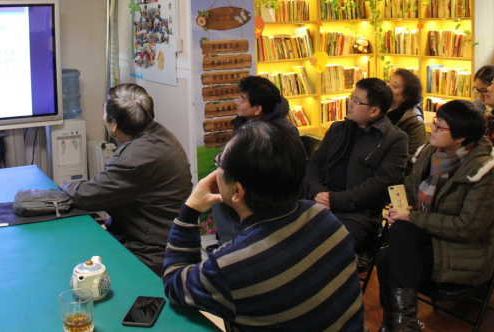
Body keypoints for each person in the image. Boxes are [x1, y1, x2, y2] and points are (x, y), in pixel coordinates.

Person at [162, 121, 364, 331]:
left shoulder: (230, 266)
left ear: (237, 191)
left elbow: (174, 282)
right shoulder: (325, 218)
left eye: (220, 161)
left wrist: (190, 209)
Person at [376, 100, 494, 331]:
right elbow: (410, 189)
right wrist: (402, 208)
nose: (432, 129)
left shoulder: (483, 172)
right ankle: (402, 323)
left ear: (461, 137)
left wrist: (412, 218)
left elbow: (467, 227)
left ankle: (396, 324)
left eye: (439, 127)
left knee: (389, 255)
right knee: (392, 246)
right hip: (429, 237)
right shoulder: (430, 153)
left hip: (465, 250)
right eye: (435, 123)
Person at [62, 83, 192, 275]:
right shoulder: (161, 135)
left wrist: (63, 187)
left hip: (151, 255)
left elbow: (88, 196)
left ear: (113, 125)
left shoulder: (134, 158)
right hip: (172, 243)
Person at [303, 77, 408, 253]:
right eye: (351, 98)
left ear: (374, 111)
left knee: (326, 247)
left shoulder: (395, 139)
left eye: (357, 101)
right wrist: (317, 192)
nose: (350, 104)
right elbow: (314, 164)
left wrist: (334, 201)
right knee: (282, 233)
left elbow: (379, 184)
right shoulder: (338, 129)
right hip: (318, 201)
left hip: (357, 214)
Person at [212, 75, 303, 243]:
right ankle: (232, 243)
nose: (236, 102)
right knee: (218, 186)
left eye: (242, 99)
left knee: (223, 192)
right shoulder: (246, 122)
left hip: (269, 190)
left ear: (257, 109)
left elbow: (275, 173)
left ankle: (236, 246)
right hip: (252, 182)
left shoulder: (283, 132)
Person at [386, 69, 425, 175]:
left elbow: (411, 160)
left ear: (406, 96)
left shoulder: (415, 121)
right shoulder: (380, 108)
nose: (387, 86)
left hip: (394, 174)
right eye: (388, 81)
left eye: (394, 86)